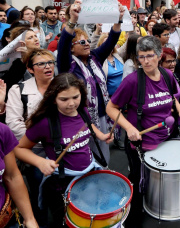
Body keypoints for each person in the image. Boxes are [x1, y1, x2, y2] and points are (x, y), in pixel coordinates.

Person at [106, 36, 180, 228]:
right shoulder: (132, 81)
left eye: (150, 56)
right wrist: (129, 128)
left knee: (163, 176)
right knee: (139, 182)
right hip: (142, 143)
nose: (145, 61)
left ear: (159, 56)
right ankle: (134, 218)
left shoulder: (168, 76)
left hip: (167, 137)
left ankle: (160, 205)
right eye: (141, 57)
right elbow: (111, 108)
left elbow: (172, 98)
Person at [14, 73, 113, 227]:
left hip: (88, 174)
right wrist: (40, 162)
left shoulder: (82, 111)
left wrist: (101, 135)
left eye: (75, 97)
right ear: (53, 98)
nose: (71, 103)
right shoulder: (45, 123)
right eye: (64, 99)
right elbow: (19, 148)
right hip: (62, 183)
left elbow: (88, 125)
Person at [57, 0, 125, 165]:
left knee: (103, 153)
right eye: (81, 42)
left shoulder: (95, 57)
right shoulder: (68, 65)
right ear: (72, 48)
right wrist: (72, 20)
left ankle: (103, 175)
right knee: (87, 155)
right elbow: (64, 42)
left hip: (102, 114)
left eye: (87, 40)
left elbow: (112, 40)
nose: (87, 44)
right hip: (82, 118)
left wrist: (119, 19)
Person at [6, 49, 54, 226]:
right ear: (30, 69)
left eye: (50, 62)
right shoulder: (18, 90)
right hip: (35, 153)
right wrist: (46, 139)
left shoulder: (62, 86)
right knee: (39, 196)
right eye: (41, 64)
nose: (47, 66)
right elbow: (14, 125)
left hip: (63, 151)